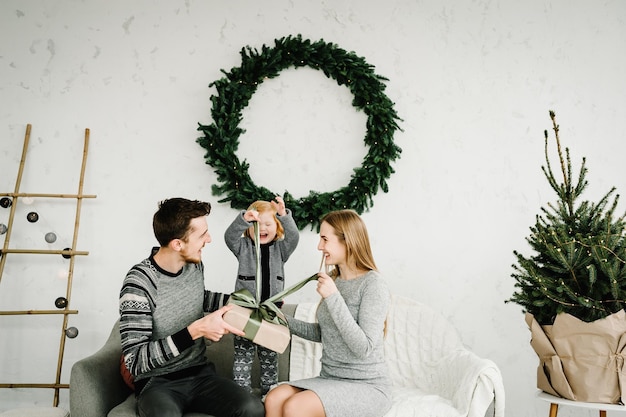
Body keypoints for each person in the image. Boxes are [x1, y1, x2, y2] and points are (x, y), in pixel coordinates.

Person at [119, 198, 265, 417]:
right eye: (202, 235)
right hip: (157, 383)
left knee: (252, 409)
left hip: (200, 376)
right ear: (177, 244)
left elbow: (198, 297)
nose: (209, 239)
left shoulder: (193, 265)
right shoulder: (139, 283)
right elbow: (135, 362)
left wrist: (246, 303)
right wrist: (195, 331)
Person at [264, 209, 392, 417]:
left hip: (367, 385)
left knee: (295, 407)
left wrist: (333, 298)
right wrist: (281, 319)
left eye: (324, 239)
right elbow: (325, 334)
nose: (319, 246)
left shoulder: (372, 284)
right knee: (275, 398)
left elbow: (364, 348)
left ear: (347, 241)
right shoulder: (335, 279)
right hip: (330, 378)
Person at [224, 195, 300, 395]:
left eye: (269, 223)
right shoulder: (243, 247)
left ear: (277, 227)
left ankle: (269, 393)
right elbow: (229, 237)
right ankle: (242, 395)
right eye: (257, 223)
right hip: (244, 313)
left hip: (270, 314)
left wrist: (284, 215)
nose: (263, 228)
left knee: (269, 359)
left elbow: (294, 237)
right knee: (242, 357)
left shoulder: (281, 250)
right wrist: (244, 218)